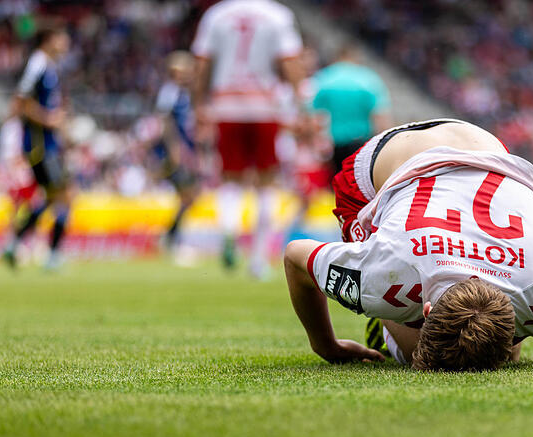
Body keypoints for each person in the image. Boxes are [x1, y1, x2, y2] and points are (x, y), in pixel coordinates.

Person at [283, 119, 533, 371]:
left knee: (482, 349)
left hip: (485, 149)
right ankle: (389, 327)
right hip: (389, 161)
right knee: (428, 350)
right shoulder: (379, 277)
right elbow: (295, 256)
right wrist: (327, 347)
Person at [190, 0, 307, 271]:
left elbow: (202, 64)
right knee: (266, 183)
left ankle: (229, 232)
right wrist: (299, 106)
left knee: (230, 180)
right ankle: (258, 258)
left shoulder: (217, 14)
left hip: (226, 105)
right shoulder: (277, 14)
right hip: (265, 106)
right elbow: (290, 63)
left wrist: (198, 104)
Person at [2, 26, 72, 271]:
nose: (66, 43)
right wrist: (48, 119)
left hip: (47, 144)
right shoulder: (38, 64)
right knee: (64, 196)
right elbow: (21, 101)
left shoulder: (49, 66)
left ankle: (14, 243)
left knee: (52, 198)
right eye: (62, 37)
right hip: (40, 146)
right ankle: (52, 255)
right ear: (49, 39)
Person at [312, 43, 392, 174]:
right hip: (361, 143)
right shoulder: (369, 79)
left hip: (334, 145)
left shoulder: (324, 78)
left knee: (335, 180)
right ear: (355, 58)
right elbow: (380, 116)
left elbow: (313, 114)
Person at [153, 51, 199, 251]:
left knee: (189, 196)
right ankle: (171, 238)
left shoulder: (186, 93)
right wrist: (174, 149)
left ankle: (171, 236)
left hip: (186, 150)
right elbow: (165, 122)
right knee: (187, 194)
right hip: (174, 151)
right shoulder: (170, 92)